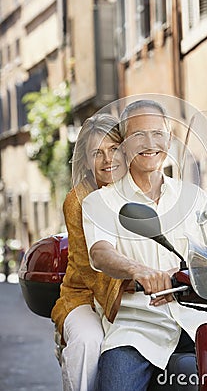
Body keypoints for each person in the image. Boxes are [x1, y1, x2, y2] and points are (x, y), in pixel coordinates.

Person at [82, 99, 207, 391]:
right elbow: (100, 252)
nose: (150, 143)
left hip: (198, 322)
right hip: (137, 329)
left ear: (169, 139)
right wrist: (139, 271)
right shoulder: (101, 201)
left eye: (158, 133)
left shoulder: (193, 197)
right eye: (138, 135)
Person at [51, 113, 128, 391]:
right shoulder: (78, 200)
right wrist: (133, 282)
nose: (108, 160)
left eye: (114, 149)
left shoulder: (138, 189)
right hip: (85, 296)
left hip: (134, 293)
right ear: (85, 160)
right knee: (88, 340)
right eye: (98, 153)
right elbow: (90, 268)